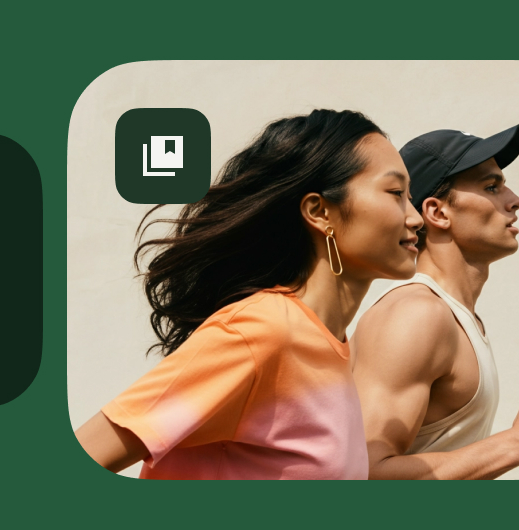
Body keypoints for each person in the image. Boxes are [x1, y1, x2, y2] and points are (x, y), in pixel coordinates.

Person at [75, 110, 424, 479]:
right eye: (396, 193)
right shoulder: (261, 331)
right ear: (320, 212)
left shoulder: (329, 345)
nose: (415, 217)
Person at [351, 125, 519, 480]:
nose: (514, 199)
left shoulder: (454, 316)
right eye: (491, 187)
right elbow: (364, 472)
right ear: (438, 213)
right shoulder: (417, 314)